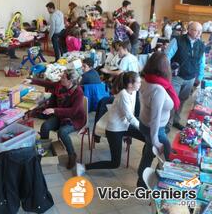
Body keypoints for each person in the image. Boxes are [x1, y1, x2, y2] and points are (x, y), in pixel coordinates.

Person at [76, 71, 144, 175]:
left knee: (148, 138)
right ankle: (83, 167)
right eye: (138, 82)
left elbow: (133, 113)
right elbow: (130, 117)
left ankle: (143, 168)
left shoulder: (133, 92)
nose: (140, 84)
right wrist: (142, 127)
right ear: (130, 85)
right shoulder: (123, 95)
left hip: (125, 126)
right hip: (115, 130)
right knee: (115, 163)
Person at [25, 69, 86, 169]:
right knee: (45, 126)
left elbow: (73, 111)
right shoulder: (60, 85)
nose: (60, 78)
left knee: (62, 132)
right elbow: (48, 84)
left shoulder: (78, 92)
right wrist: (32, 81)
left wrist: (54, 110)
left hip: (75, 119)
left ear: (70, 81)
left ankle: (72, 155)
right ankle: (43, 149)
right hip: (61, 115)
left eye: (63, 77)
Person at [136, 52, 180, 188]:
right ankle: (148, 183)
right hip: (154, 128)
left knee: (149, 152)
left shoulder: (146, 80)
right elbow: (155, 118)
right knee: (167, 155)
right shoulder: (158, 89)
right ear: (165, 68)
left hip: (145, 124)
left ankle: (141, 184)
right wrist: (155, 139)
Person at [165, 21, 205, 131]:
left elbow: (202, 62)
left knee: (182, 100)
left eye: (200, 31)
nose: (199, 33)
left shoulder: (201, 45)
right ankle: (167, 123)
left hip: (190, 78)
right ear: (190, 30)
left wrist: (200, 77)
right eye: (197, 30)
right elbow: (166, 56)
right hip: (176, 77)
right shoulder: (177, 40)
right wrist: (168, 72)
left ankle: (176, 121)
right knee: (172, 100)